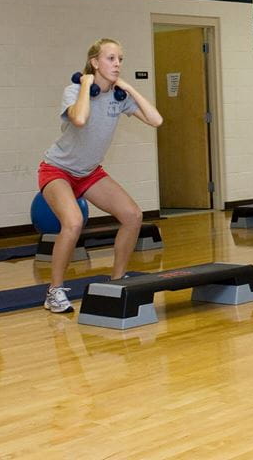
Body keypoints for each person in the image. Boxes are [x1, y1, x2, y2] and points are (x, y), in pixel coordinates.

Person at [38, 38, 163, 313]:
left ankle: (118, 280)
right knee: (72, 222)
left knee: (133, 216)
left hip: (89, 172)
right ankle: (54, 291)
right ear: (95, 62)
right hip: (57, 169)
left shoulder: (120, 98)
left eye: (120, 59)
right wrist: (85, 85)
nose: (117, 63)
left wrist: (130, 88)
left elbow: (156, 120)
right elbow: (80, 119)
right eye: (110, 58)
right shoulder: (73, 90)